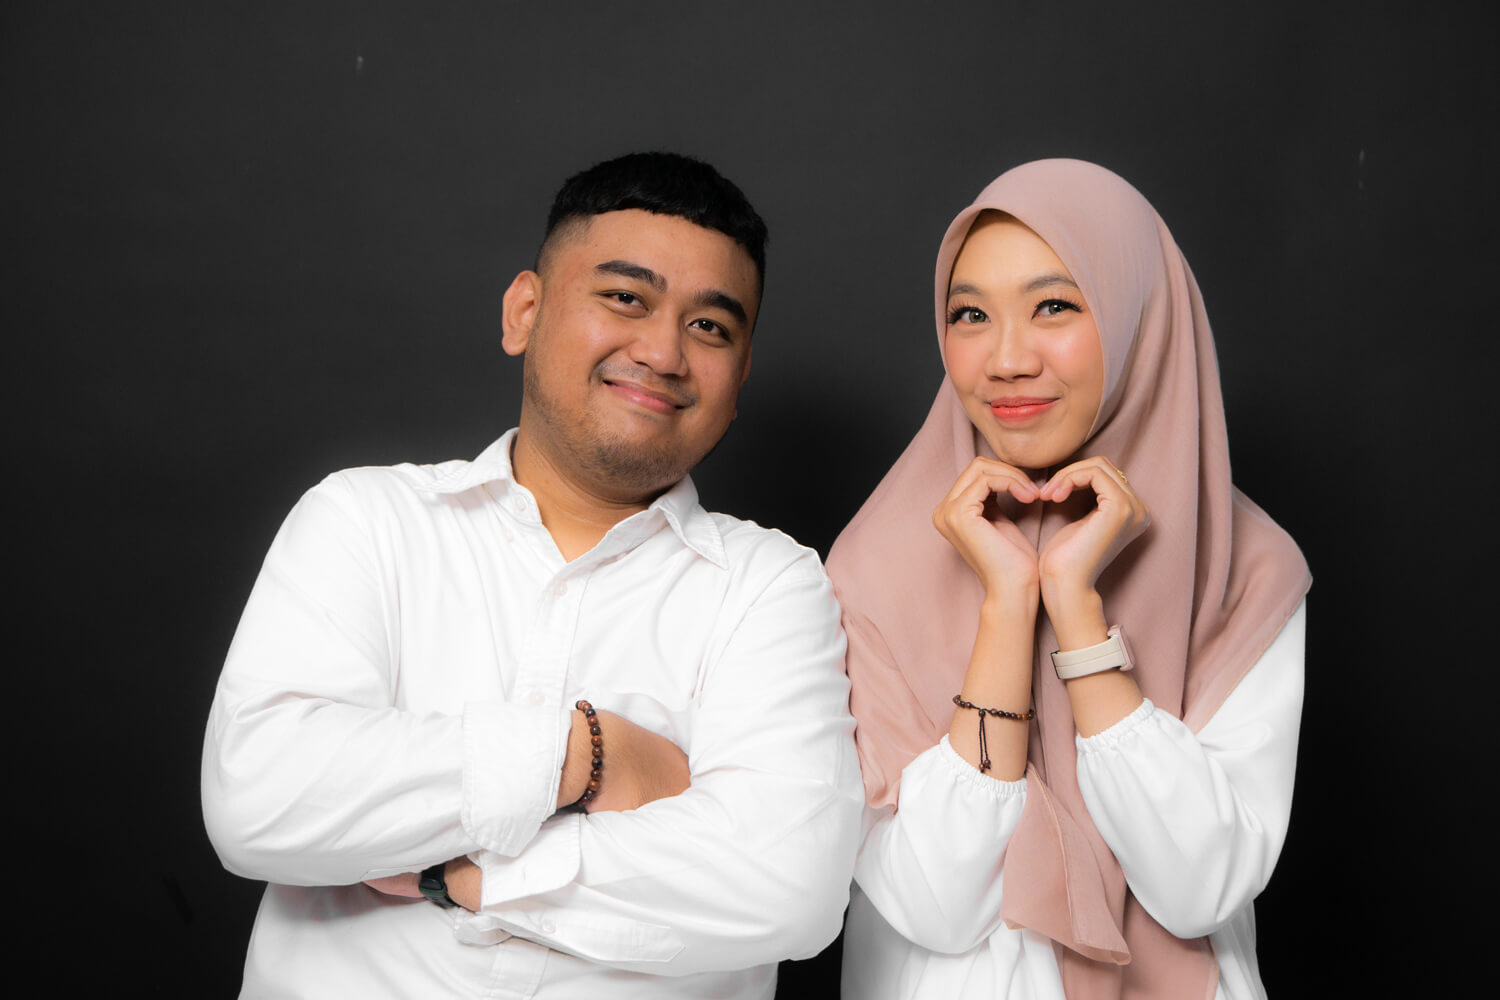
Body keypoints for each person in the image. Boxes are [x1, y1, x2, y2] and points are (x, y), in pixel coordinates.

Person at [202, 151, 863, 999]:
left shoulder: (773, 587)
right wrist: (586, 754)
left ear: (738, 381)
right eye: (625, 298)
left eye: (710, 327)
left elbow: (789, 886)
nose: (664, 351)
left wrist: (461, 875)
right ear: (524, 312)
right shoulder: (364, 520)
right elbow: (259, 797)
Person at [828, 159, 1311, 999]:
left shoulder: (1246, 566)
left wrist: (1078, 612)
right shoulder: (871, 565)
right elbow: (935, 904)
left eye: (1054, 306)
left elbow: (1200, 890)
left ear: (1138, 319)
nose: (1007, 359)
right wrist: (1007, 609)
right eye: (970, 314)